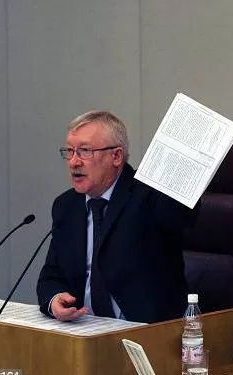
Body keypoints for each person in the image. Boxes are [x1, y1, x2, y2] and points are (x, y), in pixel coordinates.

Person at [37, 110, 199, 323]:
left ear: (116, 156)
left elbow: (183, 214)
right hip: (85, 330)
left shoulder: (149, 197)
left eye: (85, 151)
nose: (73, 162)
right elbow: (51, 277)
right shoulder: (66, 206)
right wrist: (55, 299)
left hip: (145, 334)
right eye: (69, 151)